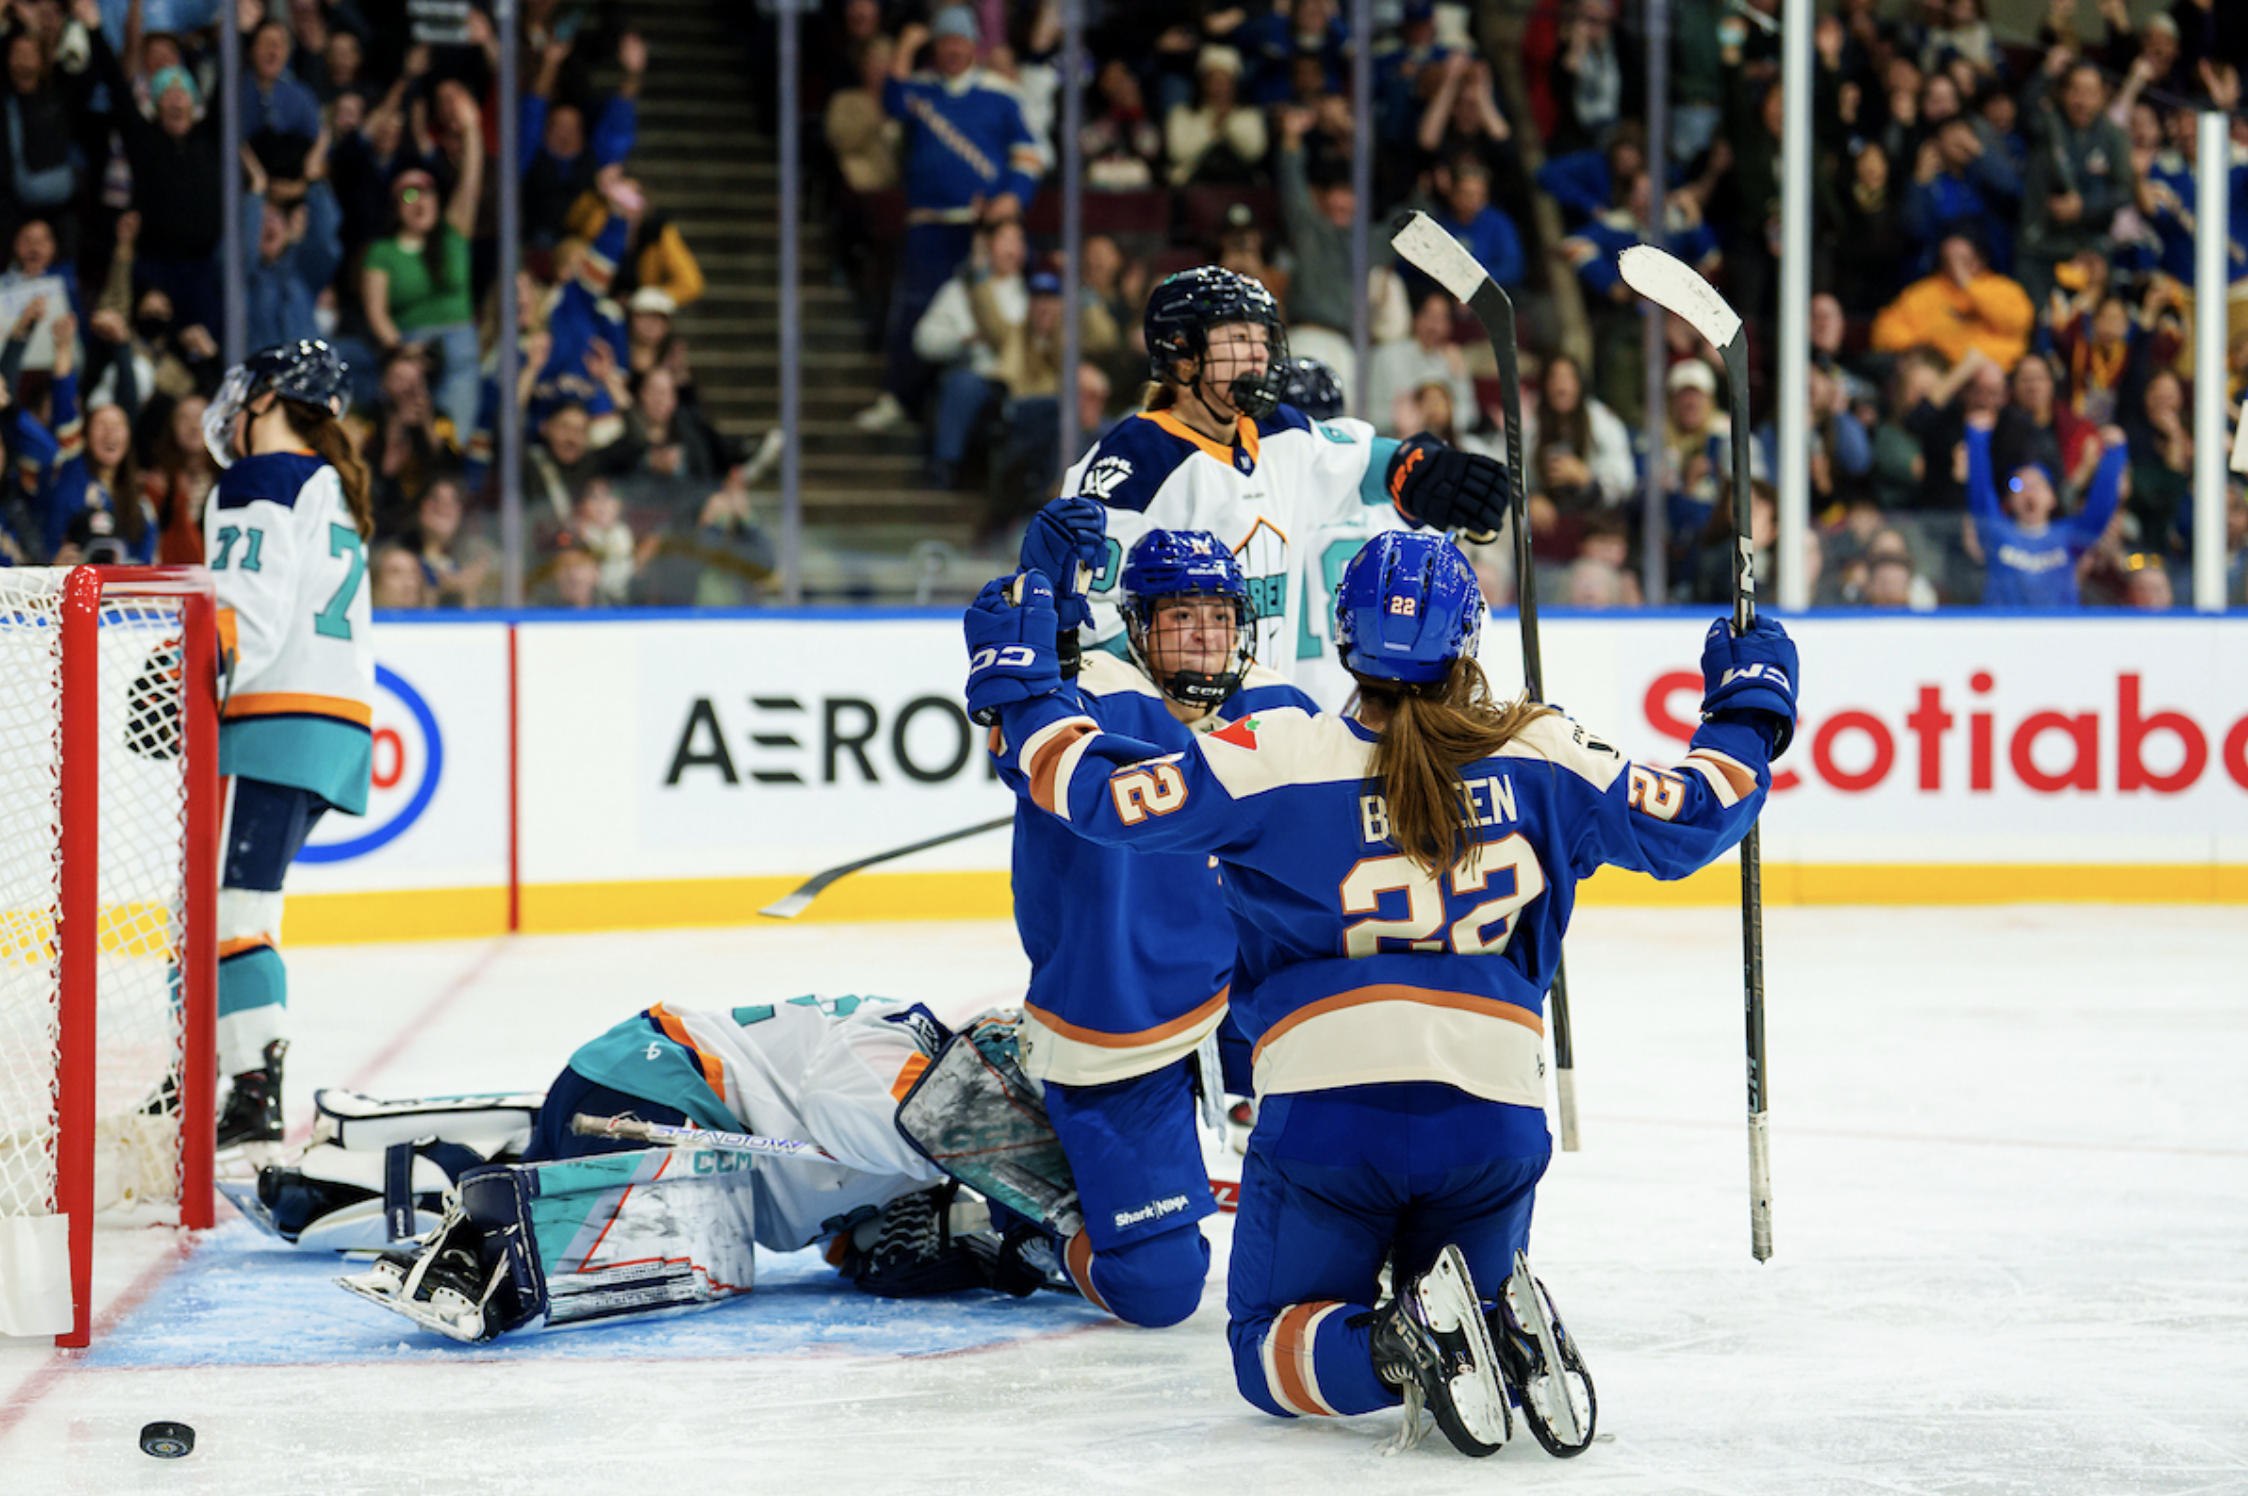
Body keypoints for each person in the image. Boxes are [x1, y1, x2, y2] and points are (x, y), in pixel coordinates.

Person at [964, 529, 1798, 1456]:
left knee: (1265, 1349)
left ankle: (1404, 1346)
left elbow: (1092, 792)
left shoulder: (1280, 753)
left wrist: (1023, 686)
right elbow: (1701, 808)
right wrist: (1748, 706)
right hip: (1496, 1119)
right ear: (1469, 638)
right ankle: (1486, 1319)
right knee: (1453, 1259)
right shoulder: (1544, 749)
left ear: (1343, 636)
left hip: (1329, 1116)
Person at [286, 995, 1065, 1343]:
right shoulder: (905, 1062)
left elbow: (870, 1246)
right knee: (651, 1238)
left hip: (644, 1104)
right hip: (652, 1084)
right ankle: (477, 1253)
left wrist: (994, 1248)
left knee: (691, 1228)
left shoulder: (939, 1139)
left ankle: (389, 1177)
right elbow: (846, 1107)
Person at [994, 508, 1319, 1328]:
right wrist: (1050, 651)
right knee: (1159, 1287)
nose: (1206, 637)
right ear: (1137, 628)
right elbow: (1021, 738)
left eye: (1220, 617)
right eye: (1181, 617)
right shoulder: (1097, 696)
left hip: (1241, 1000)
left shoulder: (1281, 704)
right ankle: (1005, 1202)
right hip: (1121, 1019)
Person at [1064, 267, 1508, 711]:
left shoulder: (1281, 435)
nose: (1258, 355)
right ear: (1182, 352)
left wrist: (1428, 471)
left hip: (1266, 730)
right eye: (1238, 339)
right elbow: (1092, 623)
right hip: (1175, 740)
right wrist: (1166, 712)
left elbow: (1362, 464)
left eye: (1263, 339)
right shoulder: (1132, 465)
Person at [200, 340, 376, 1148]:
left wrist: (180, 681)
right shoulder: (331, 483)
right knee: (208, 906)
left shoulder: (263, 476)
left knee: (235, 908)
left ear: (269, 398)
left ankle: (249, 1089)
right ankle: (203, 1071)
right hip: (329, 725)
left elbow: (248, 612)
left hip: (270, 720)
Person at [1963, 409, 2127, 607]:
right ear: (2010, 499)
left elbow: (2100, 509)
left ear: (2052, 498)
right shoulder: (1997, 533)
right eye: (2019, 485)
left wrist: (2114, 454)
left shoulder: (2070, 535)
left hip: (2057, 632)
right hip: (2005, 632)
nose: (2028, 491)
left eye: (2038, 484)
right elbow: (1980, 494)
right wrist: (1977, 440)